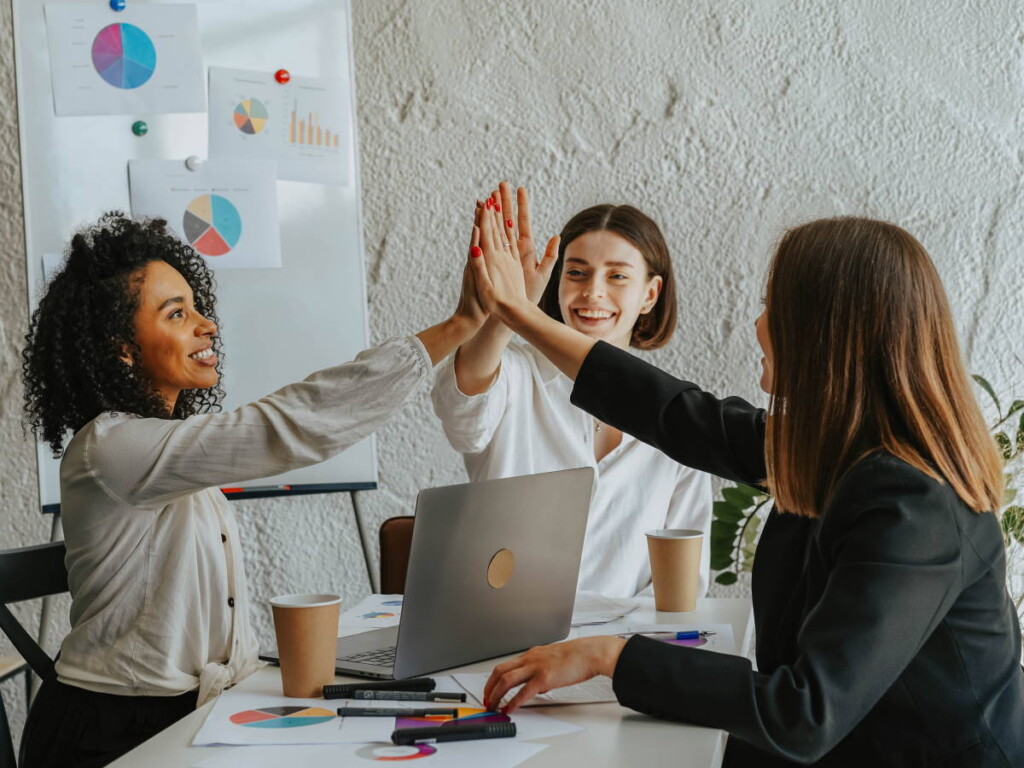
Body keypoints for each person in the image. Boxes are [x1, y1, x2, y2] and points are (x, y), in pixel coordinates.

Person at [469, 204, 1024, 766]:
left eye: (771, 307)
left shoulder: (915, 502)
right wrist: (519, 315)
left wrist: (611, 657)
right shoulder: (832, 447)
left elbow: (803, 714)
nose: (757, 326)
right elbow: (675, 412)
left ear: (827, 334)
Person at [18, 212, 486, 768]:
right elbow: (286, 425)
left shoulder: (168, 454)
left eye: (196, 306)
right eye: (176, 314)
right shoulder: (112, 448)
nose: (207, 324)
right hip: (108, 732)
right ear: (122, 348)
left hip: (189, 714)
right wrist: (459, 325)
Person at [432, 183, 711, 597]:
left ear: (650, 294)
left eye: (617, 275)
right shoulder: (513, 374)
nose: (593, 291)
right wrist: (508, 309)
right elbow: (461, 412)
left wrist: (617, 653)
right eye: (576, 272)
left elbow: (684, 580)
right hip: (503, 642)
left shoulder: (678, 414)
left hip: (619, 650)